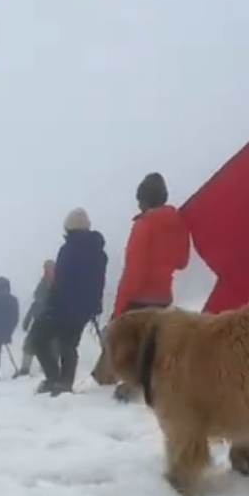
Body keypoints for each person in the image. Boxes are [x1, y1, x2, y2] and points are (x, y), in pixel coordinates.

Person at [107, 171, 191, 400]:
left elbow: (133, 270)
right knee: (153, 346)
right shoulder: (178, 224)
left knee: (129, 348)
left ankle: (129, 389)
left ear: (143, 200)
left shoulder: (144, 226)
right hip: (163, 296)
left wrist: (119, 307)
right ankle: (155, 388)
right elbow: (182, 262)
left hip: (139, 297)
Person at [30, 208, 108, 396]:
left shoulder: (69, 250)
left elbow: (62, 280)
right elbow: (97, 282)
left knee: (39, 339)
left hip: (62, 306)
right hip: (84, 308)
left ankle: (56, 380)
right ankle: (63, 383)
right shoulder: (98, 252)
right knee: (68, 345)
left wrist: (52, 300)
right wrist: (94, 305)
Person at [15, 259, 56, 378]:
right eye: (46, 268)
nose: (47, 271)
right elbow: (36, 303)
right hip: (39, 318)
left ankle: (48, 370)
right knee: (29, 343)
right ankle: (25, 368)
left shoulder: (59, 284)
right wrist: (28, 318)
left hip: (53, 320)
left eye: (49, 268)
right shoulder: (42, 284)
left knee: (53, 345)